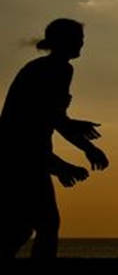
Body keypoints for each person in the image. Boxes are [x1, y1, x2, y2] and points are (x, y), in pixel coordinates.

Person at [1, 18, 108, 259]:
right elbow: (41, 119)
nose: (82, 44)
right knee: (46, 224)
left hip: (24, 153)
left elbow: (52, 117)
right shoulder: (56, 70)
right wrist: (71, 158)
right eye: (78, 39)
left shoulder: (43, 68)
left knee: (21, 227)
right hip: (21, 155)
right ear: (64, 42)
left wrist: (79, 144)